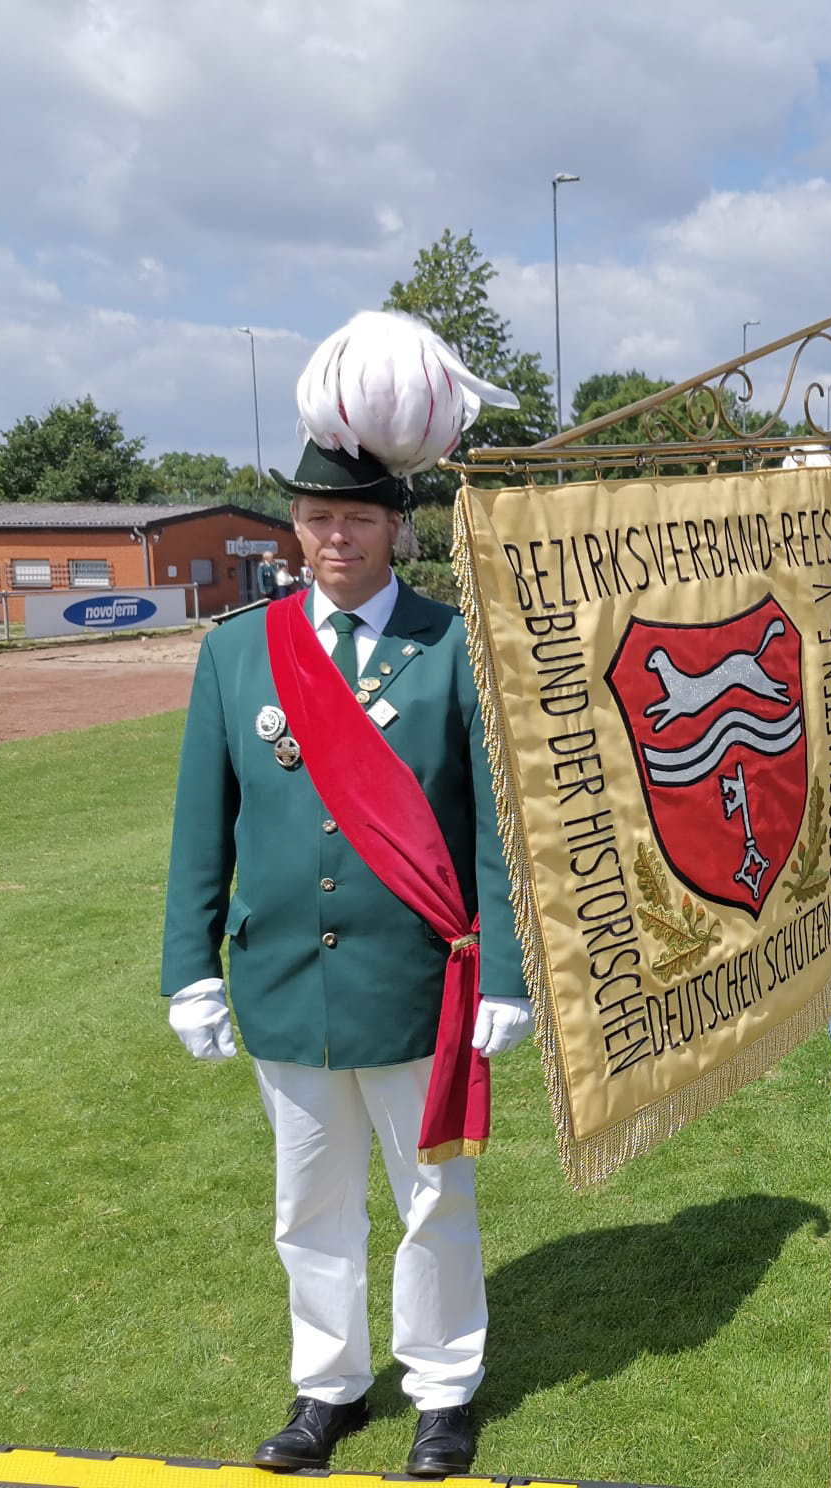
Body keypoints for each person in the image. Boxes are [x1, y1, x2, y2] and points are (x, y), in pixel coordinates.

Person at [160, 311, 530, 1477]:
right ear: (296, 529)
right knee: (307, 1204)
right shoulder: (237, 653)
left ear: (394, 527)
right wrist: (188, 968)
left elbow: (496, 834)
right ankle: (327, 1388)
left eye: (356, 518)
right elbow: (197, 831)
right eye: (317, 518)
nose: (335, 537)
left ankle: (442, 1390)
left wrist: (509, 978)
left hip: (417, 985)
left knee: (434, 1203)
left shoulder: (452, 646)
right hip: (282, 981)